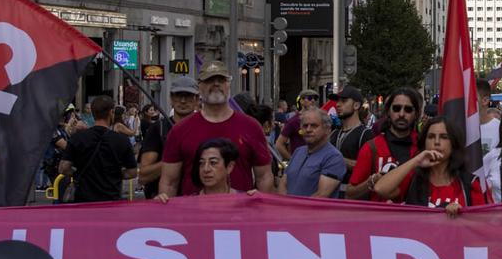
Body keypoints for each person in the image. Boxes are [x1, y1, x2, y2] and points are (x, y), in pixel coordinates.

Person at [156, 65, 276, 199]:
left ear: (228, 85)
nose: (216, 84)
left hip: (239, 215)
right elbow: (169, 182)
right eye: (209, 81)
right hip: (194, 214)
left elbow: (264, 177)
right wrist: (166, 212)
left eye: (221, 80)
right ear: (199, 87)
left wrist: (264, 208)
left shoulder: (251, 127)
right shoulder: (180, 130)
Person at [375, 118, 491, 212]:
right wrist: (416, 161)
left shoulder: (469, 183)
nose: (436, 142)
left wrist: (460, 214)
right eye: (430, 137)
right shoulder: (412, 178)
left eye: (444, 137)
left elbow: (479, 225)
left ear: (453, 143)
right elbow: (380, 188)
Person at [345, 88, 425, 200]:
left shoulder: (423, 148)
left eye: (408, 110)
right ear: (388, 111)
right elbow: (350, 193)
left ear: (416, 114)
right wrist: (371, 182)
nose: (401, 114)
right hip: (378, 216)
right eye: (396, 108)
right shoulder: (371, 148)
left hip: (414, 216)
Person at [62, 96, 137, 204]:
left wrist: (77, 173)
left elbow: (63, 168)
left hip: (83, 199)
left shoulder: (77, 138)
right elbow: (132, 172)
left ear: (92, 113)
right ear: (112, 112)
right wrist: (114, 174)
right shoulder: (122, 140)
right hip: (111, 199)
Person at [283, 108, 349, 199]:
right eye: (305, 126)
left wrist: (295, 210)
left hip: (312, 212)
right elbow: (283, 185)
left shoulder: (334, 157)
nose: (308, 129)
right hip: (287, 211)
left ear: (327, 129)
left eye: (314, 126)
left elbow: (321, 195)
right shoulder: (298, 152)